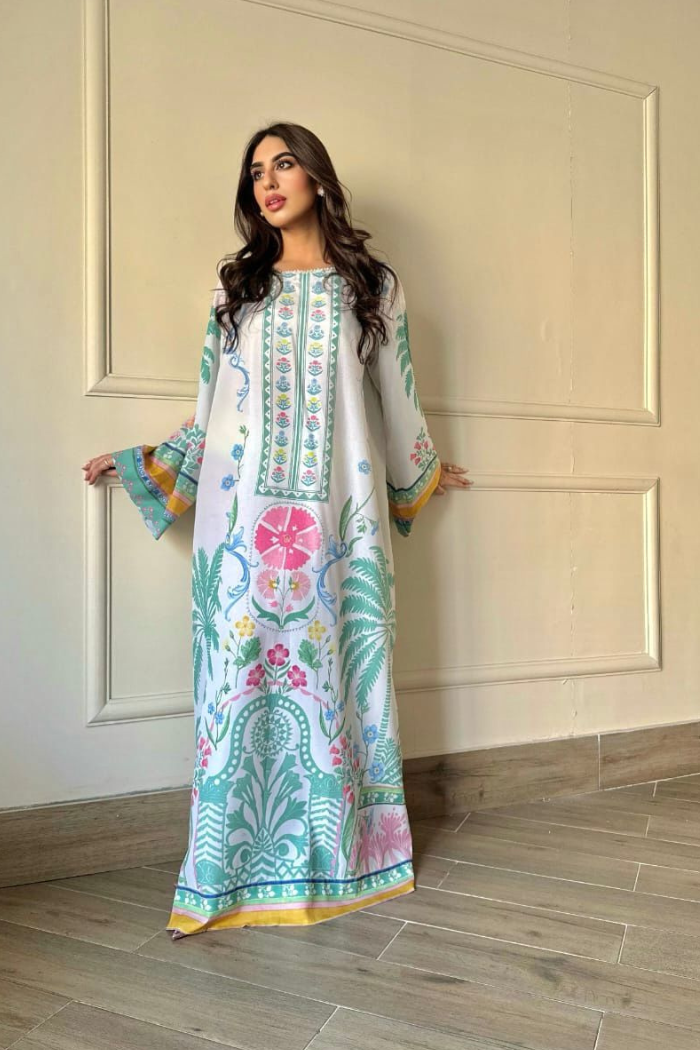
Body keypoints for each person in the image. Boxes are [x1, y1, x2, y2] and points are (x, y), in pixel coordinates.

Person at [82, 122, 471, 939]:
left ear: (317, 179)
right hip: (241, 531)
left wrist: (426, 469)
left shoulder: (373, 286)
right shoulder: (236, 290)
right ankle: (228, 870)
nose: (267, 182)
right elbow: (211, 409)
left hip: (339, 523)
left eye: (283, 164)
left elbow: (398, 398)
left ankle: (351, 854)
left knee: (337, 677)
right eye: (256, 170)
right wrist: (144, 463)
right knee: (237, 680)